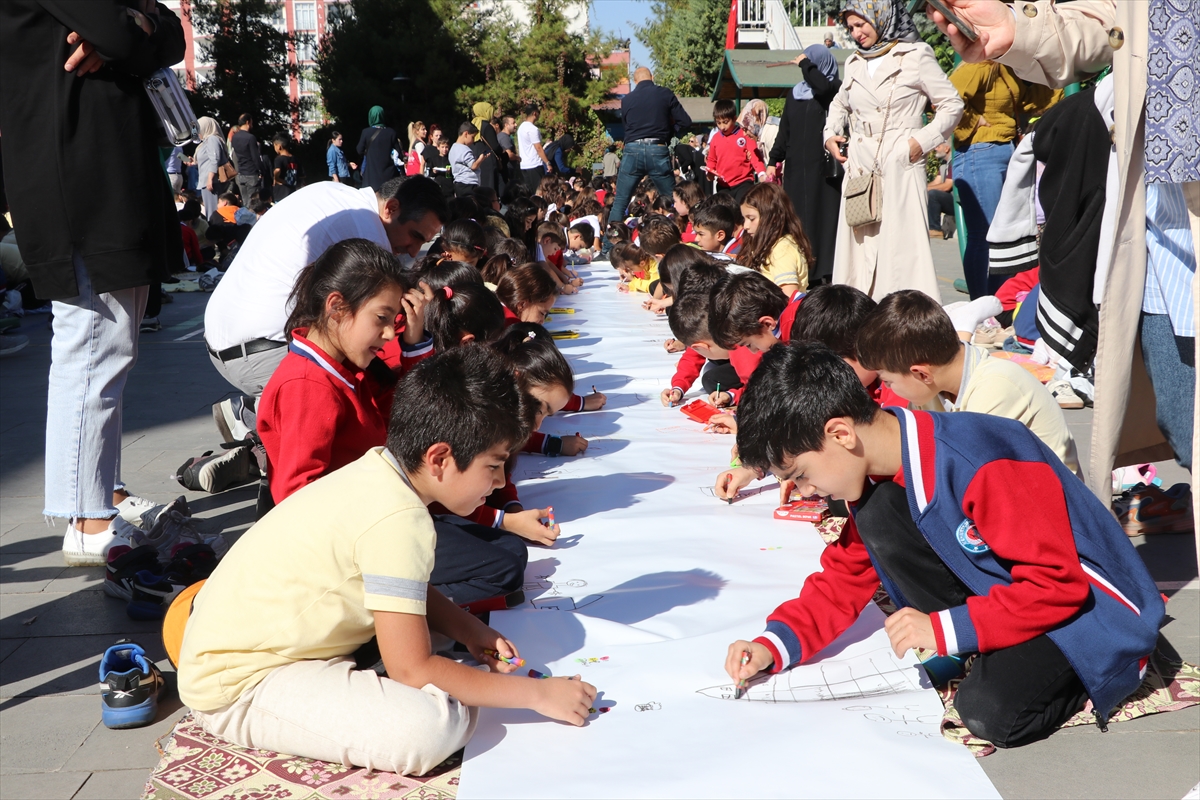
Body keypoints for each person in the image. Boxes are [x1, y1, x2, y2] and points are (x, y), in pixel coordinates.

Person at [177, 345, 598, 774]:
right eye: (493, 465)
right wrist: (538, 696)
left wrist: (469, 630)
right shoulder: (400, 518)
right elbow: (412, 669)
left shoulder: (381, 471)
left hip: (257, 647)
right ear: (439, 458)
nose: (499, 481)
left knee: (436, 659)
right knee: (431, 727)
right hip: (236, 687)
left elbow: (404, 583)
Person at [725, 342, 1163, 748]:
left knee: (990, 713)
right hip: (1012, 595)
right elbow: (844, 576)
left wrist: (944, 629)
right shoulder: (875, 476)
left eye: (800, 473)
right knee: (878, 515)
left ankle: (1106, 666)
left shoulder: (977, 459)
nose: (804, 491)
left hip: (1088, 611)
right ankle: (985, 640)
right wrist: (773, 645)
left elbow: (1060, 586)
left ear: (840, 434)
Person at [924, 1, 1199, 531]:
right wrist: (1017, 28)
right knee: (1186, 427)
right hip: (1161, 228)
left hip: (996, 156)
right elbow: (1110, 21)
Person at [0, 0, 185, 564]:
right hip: (79, 172)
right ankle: (87, 519)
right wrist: (134, 29)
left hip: (90, 168)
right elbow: (122, 38)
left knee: (106, 347)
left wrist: (144, 22)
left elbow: (167, 34)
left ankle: (97, 493)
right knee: (93, 346)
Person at [204, 176, 447, 401]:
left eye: (423, 243)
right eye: (414, 236)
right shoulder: (368, 235)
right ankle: (272, 411)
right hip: (265, 354)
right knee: (370, 394)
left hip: (223, 344)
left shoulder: (334, 192)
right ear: (391, 208)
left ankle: (262, 411)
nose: (414, 251)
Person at [823, 0, 963, 301]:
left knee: (900, 252)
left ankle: (906, 326)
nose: (856, 32)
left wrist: (917, 143)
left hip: (900, 163)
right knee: (858, 253)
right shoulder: (855, 62)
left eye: (861, 23)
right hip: (861, 165)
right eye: (850, 28)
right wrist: (830, 134)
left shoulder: (915, 55)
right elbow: (839, 103)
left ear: (880, 16)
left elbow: (953, 105)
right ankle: (856, 320)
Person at [856, 289, 1082, 475]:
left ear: (922, 374)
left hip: (1050, 511)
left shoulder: (997, 386)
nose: (886, 387)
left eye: (887, 380)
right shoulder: (931, 388)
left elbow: (963, 470)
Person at [950, 61, 1059, 298]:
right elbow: (947, 98)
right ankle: (983, 304)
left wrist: (1062, 76)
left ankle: (1000, 303)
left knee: (1003, 233)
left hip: (1005, 150)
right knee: (985, 233)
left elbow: (1030, 101)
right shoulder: (977, 66)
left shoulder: (1006, 68)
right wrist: (972, 123)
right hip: (979, 152)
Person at [767, 44, 843, 285]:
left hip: (822, 172)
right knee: (798, 221)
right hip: (796, 173)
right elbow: (784, 131)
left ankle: (824, 274)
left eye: (811, 63)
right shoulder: (795, 93)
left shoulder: (833, 90)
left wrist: (804, 63)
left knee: (823, 220)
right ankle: (802, 271)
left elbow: (822, 86)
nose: (806, 70)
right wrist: (773, 160)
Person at [611, 67, 692, 221]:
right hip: (657, 148)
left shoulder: (626, 100)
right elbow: (685, 121)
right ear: (652, 77)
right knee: (672, 200)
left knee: (620, 202)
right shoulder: (665, 94)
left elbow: (626, 129)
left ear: (635, 82)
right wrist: (669, 131)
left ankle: (609, 243)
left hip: (633, 149)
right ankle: (681, 236)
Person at [737, 183, 811, 296]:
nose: (746, 226)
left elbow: (789, 298)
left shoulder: (782, 250)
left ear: (773, 218)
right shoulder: (768, 245)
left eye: (751, 219)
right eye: (744, 219)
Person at [706, 99, 766, 203]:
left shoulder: (744, 134)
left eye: (725, 122)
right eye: (718, 123)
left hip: (743, 182)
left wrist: (761, 173)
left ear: (734, 119)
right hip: (723, 185)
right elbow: (711, 159)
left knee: (742, 210)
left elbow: (754, 156)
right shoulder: (715, 139)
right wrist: (710, 171)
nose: (722, 127)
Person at [357, 105, 401, 192]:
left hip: (371, 175)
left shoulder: (366, 132)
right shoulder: (391, 132)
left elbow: (359, 150)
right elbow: (398, 152)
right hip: (389, 176)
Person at [196, 116, 231, 219]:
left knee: (212, 212)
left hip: (212, 182)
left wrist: (210, 179)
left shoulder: (212, 139)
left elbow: (214, 159)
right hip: (209, 181)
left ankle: (214, 233)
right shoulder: (207, 141)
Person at [517, 105, 553, 192]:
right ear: (535, 113)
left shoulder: (521, 127)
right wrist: (547, 163)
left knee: (529, 193)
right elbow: (538, 148)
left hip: (524, 165)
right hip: (534, 164)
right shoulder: (532, 129)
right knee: (539, 192)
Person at [231, 114, 263, 207]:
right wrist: (261, 170)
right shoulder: (250, 138)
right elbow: (255, 157)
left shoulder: (234, 138)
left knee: (245, 202)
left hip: (241, 173)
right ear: (248, 122)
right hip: (251, 173)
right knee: (253, 203)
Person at [449, 123, 488, 198]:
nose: (473, 141)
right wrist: (481, 158)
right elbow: (473, 166)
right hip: (469, 183)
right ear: (466, 134)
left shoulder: (453, 148)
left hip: (458, 183)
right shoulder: (465, 150)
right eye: (472, 137)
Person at [471, 103, 502, 193]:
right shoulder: (486, 126)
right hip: (487, 161)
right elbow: (495, 146)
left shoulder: (472, 125)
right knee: (489, 191)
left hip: (475, 160)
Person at [926, 142, 955, 239]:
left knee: (933, 194)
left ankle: (935, 229)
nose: (935, 149)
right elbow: (936, 182)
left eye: (938, 146)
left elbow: (947, 186)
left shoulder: (955, 161)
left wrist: (926, 189)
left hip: (957, 201)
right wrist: (920, 188)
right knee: (922, 193)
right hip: (949, 199)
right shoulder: (943, 164)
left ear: (947, 148)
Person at [271, 134, 303, 202]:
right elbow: (302, 175)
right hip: (293, 192)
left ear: (279, 146)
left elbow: (278, 170)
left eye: (274, 146)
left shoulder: (279, 159)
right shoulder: (295, 159)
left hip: (280, 193)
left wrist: (276, 178)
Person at [496, 115, 519, 186]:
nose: (516, 124)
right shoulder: (504, 138)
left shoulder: (503, 136)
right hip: (508, 170)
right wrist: (518, 158)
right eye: (513, 123)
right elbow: (509, 155)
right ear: (506, 125)